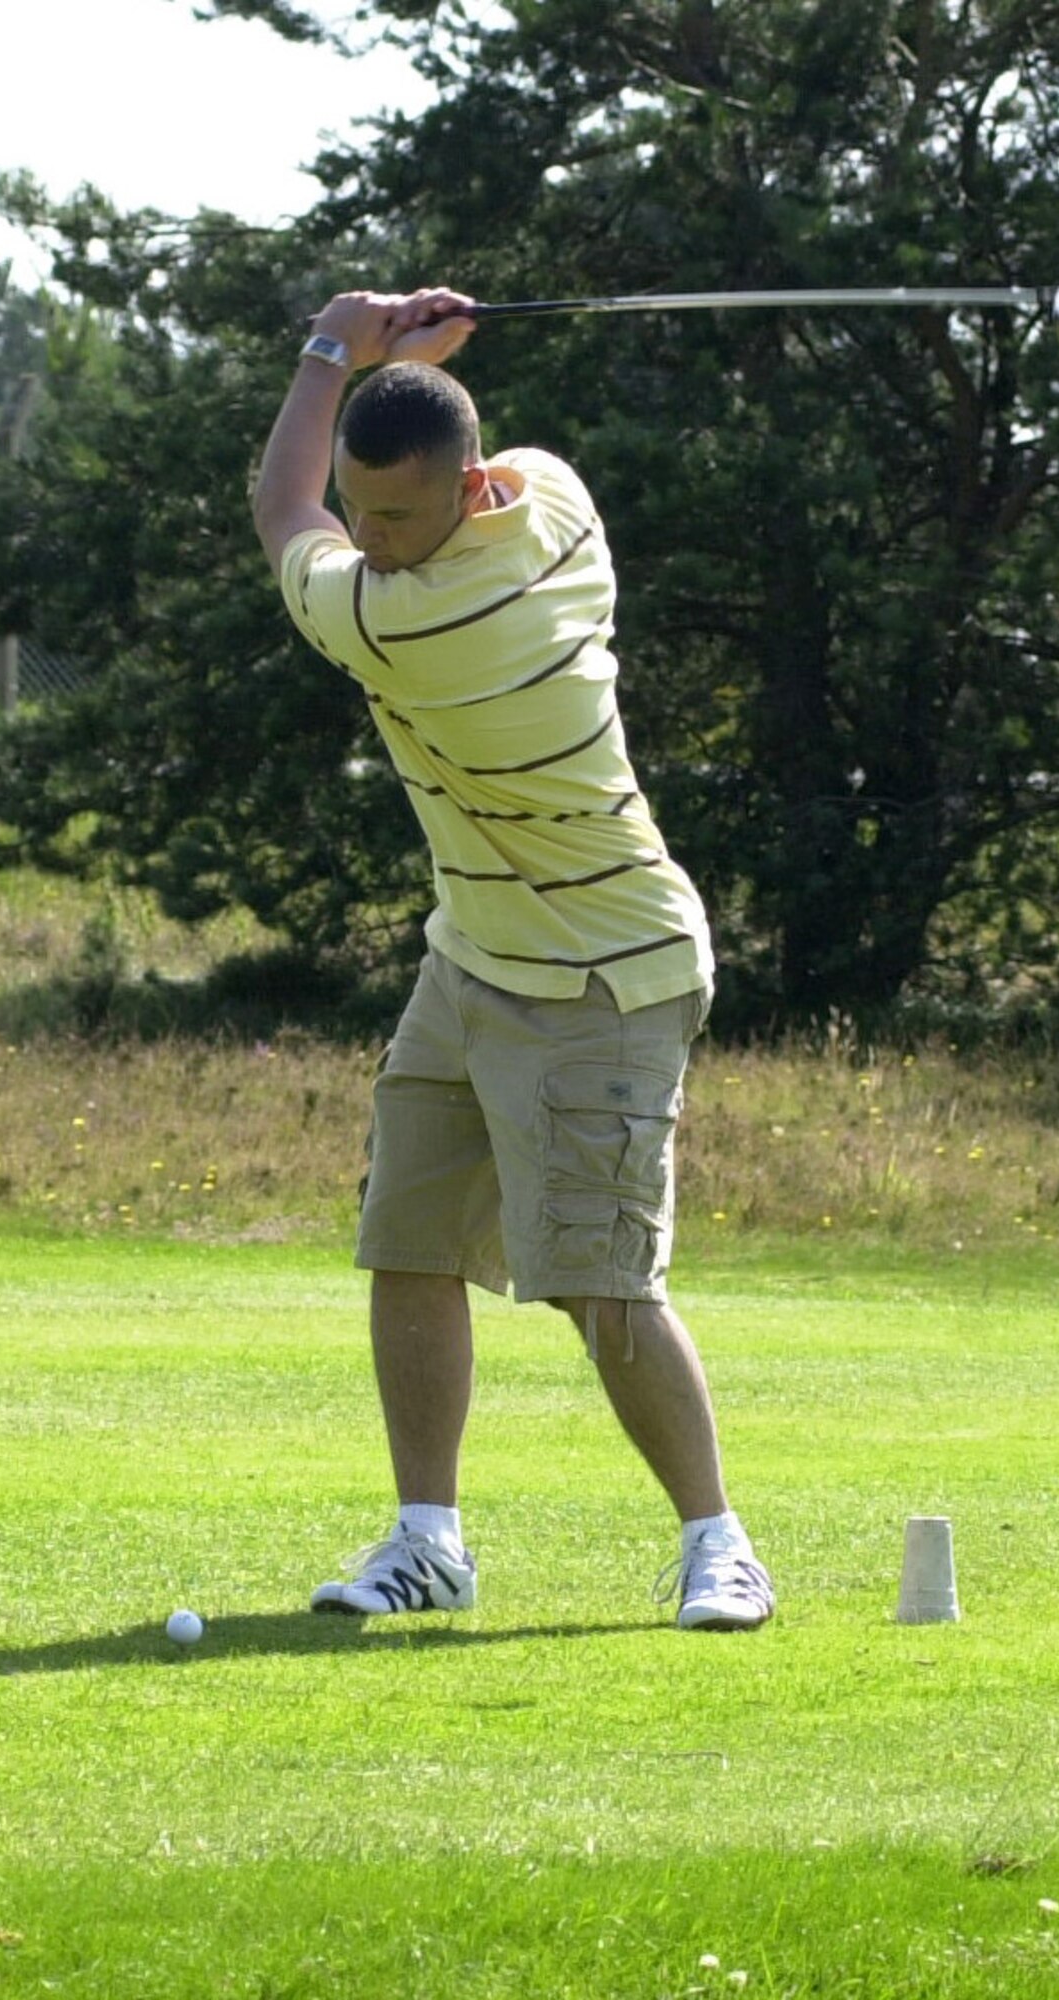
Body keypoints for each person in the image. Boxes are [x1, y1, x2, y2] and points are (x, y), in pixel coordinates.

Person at [251, 286, 774, 1632]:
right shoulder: (554, 503)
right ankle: (429, 1543)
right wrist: (407, 376)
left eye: (396, 516)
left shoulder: (404, 623)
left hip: (604, 971)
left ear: (467, 490)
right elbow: (401, 471)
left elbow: (281, 508)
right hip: (474, 952)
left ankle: (720, 1543)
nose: (371, 539)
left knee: (602, 1285)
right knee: (410, 1243)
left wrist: (334, 349)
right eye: (363, 513)